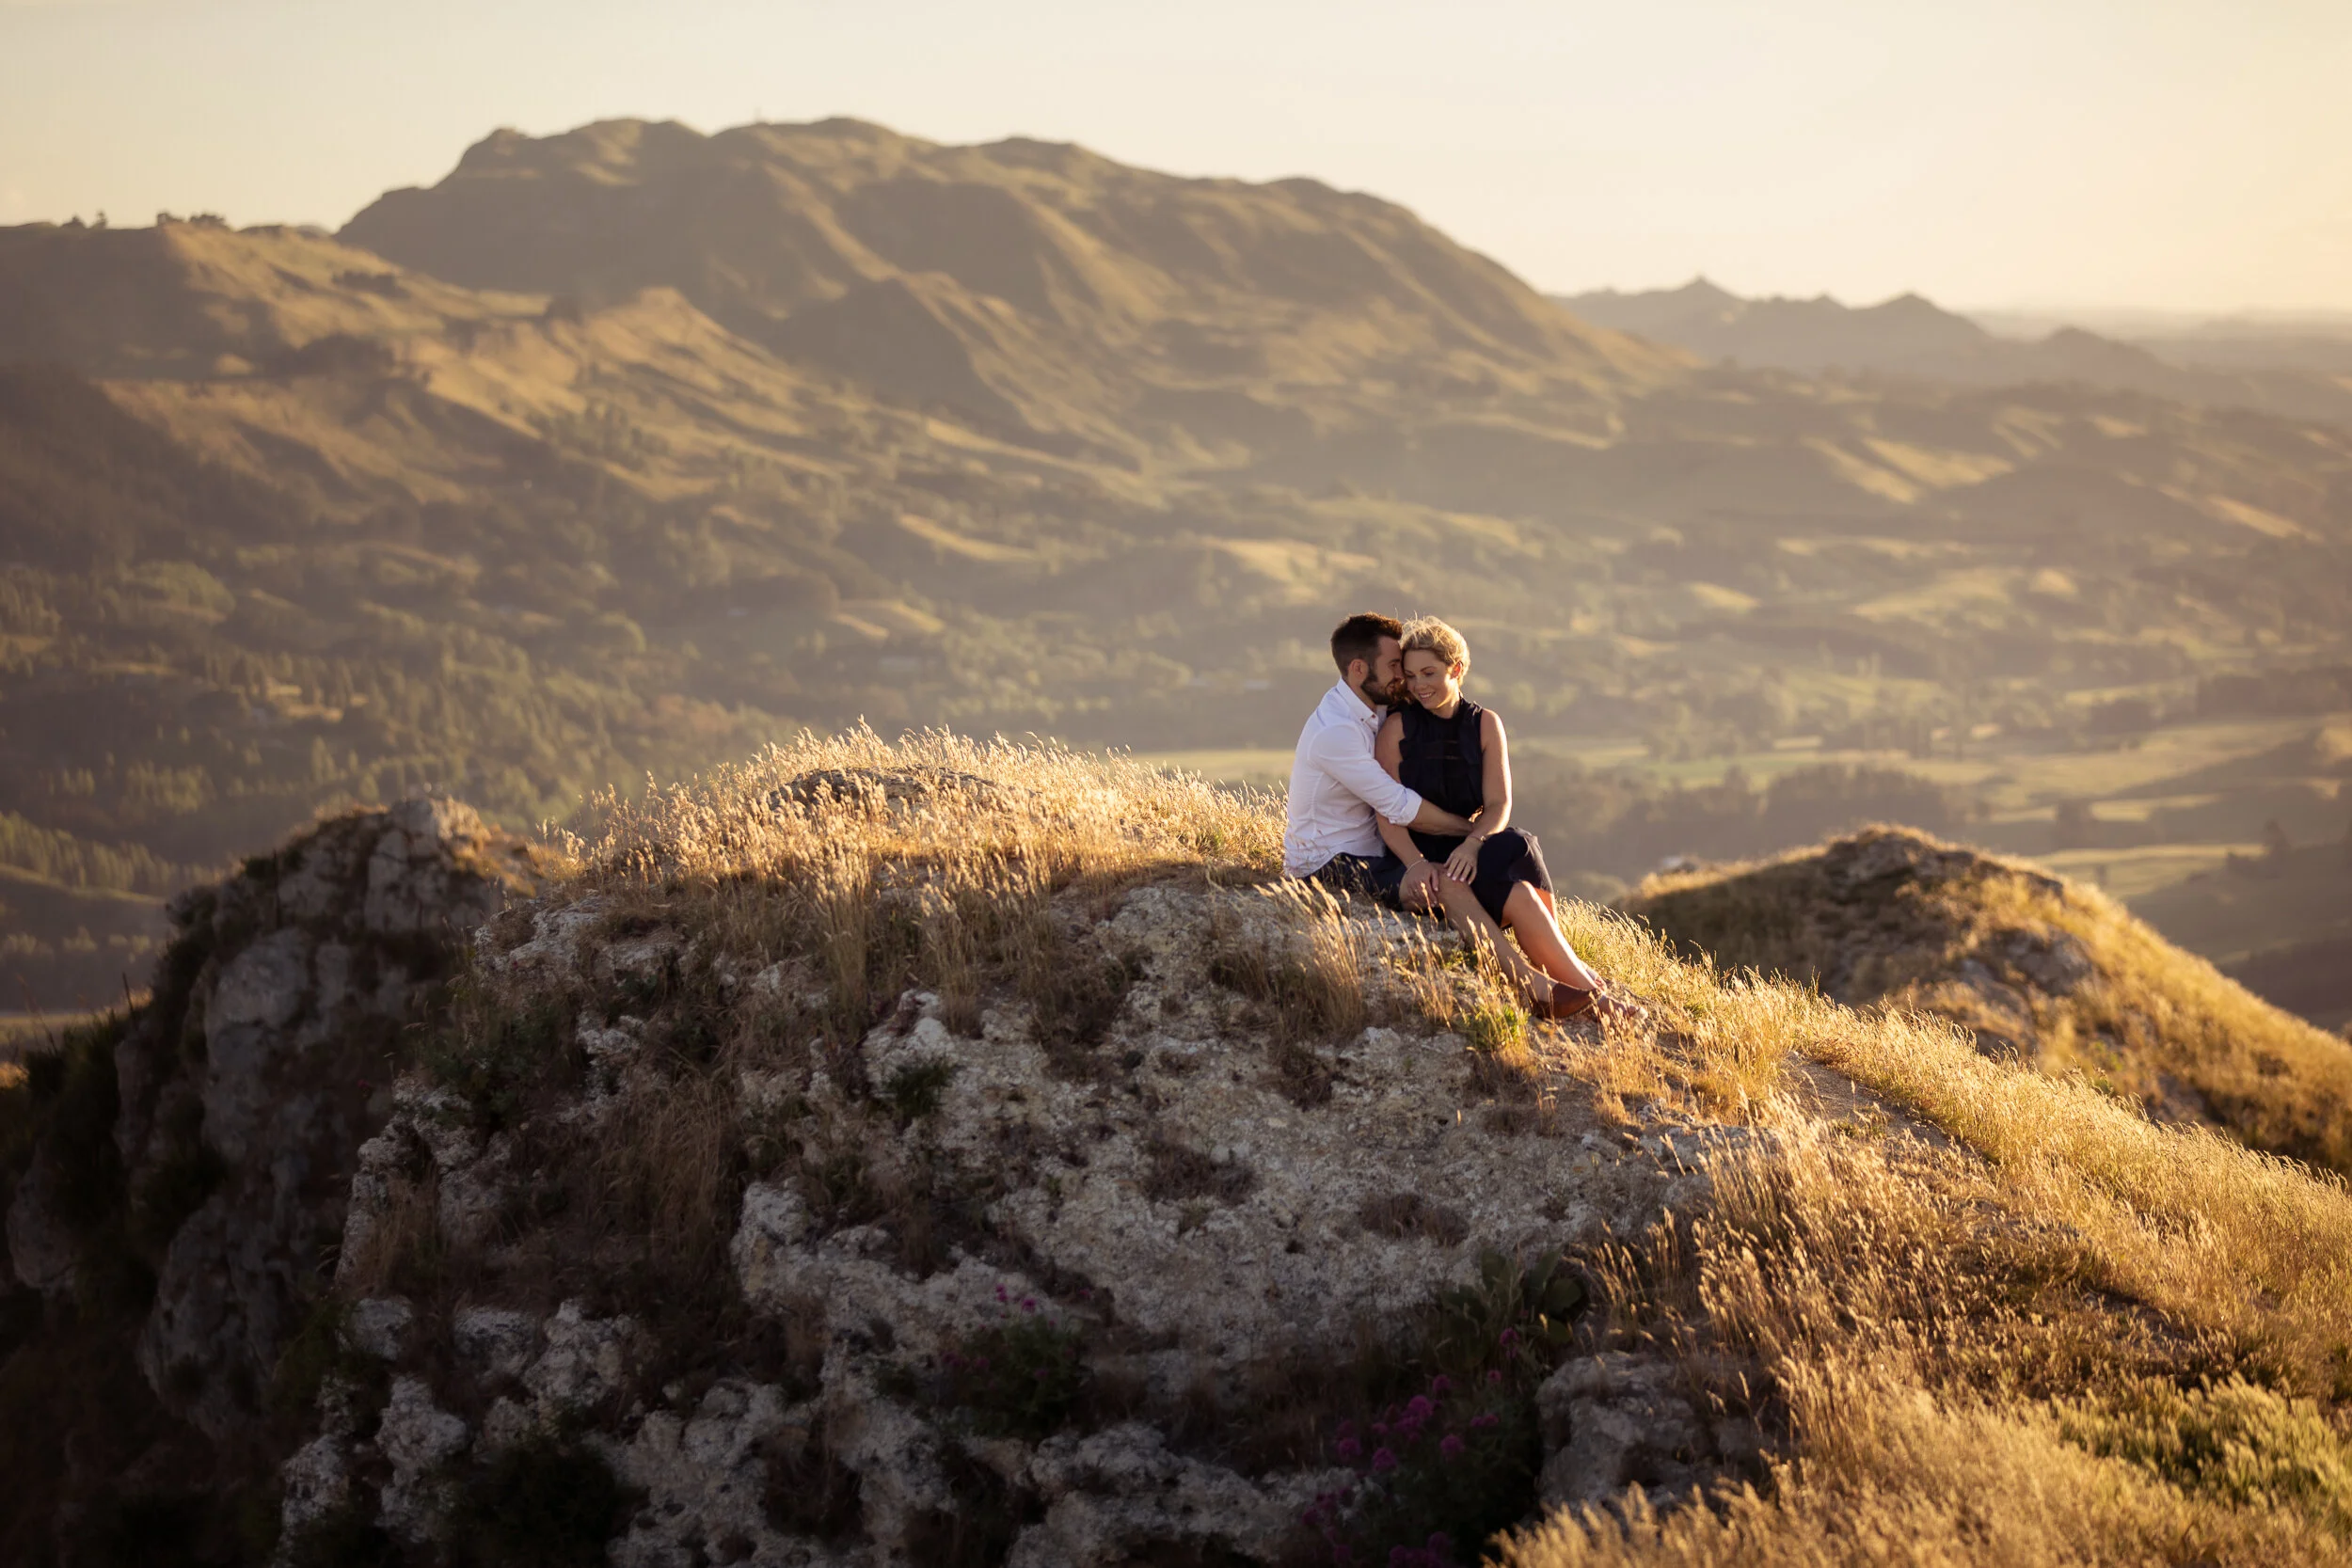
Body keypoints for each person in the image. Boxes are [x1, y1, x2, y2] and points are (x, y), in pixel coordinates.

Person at [1373, 616, 1641, 1022]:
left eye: (1429, 672)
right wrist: (1416, 863)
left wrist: (1473, 844)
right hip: (1414, 855)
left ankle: (1574, 986)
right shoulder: (1397, 727)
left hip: (1467, 849)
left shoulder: (1484, 723)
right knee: (1511, 872)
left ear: (1456, 669)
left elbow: (1498, 805)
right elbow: (1387, 814)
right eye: (1410, 675)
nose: (1418, 685)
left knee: (1517, 850)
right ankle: (1595, 1000)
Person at [1283, 612, 1483, 904]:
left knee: (1491, 872)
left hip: (1374, 854)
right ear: (1359, 669)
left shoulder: (1378, 705)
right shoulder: (1335, 731)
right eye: (1393, 666)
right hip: (1325, 865)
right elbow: (1398, 805)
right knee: (1447, 887)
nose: (1402, 677)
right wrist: (1476, 832)